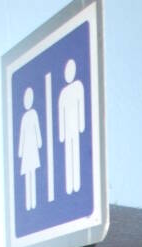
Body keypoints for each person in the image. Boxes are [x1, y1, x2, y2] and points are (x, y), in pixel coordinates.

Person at [58, 59, 85, 195]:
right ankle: (69, 187)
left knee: (75, 154)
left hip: (75, 129)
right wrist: (62, 134)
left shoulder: (79, 86)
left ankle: (76, 185)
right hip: (68, 131)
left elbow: (81, 106)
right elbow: (61, 113)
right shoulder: (63, 93)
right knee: (68, 156)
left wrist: (81, 126)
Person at [18, 87, 42, 211]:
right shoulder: (24, 117)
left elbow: (37, 129)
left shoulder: (33, 114)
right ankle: (29, 204)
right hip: (27, 151)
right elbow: (21, 135)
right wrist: (20, 152)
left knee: (32, 173)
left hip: (32, 150)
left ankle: (33, 203)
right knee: (28, 175)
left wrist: (39, 143)